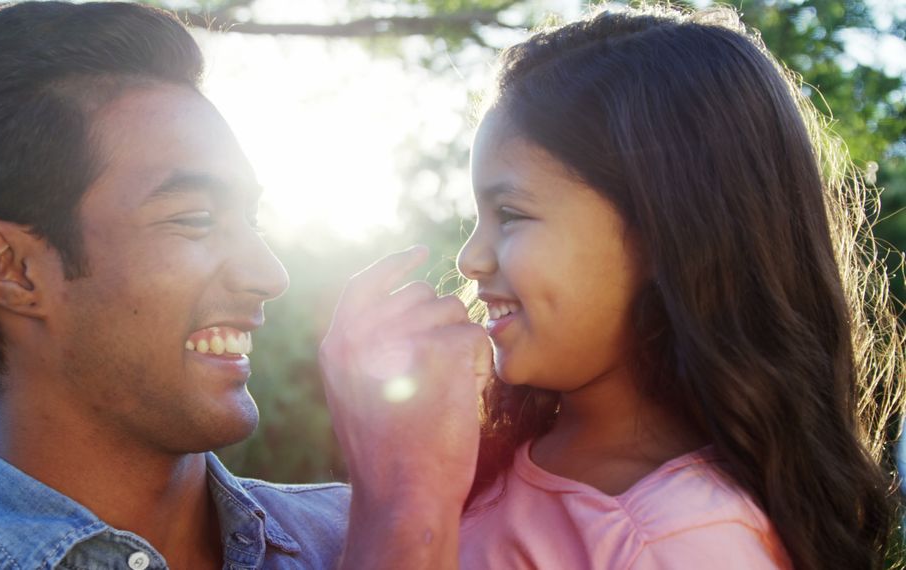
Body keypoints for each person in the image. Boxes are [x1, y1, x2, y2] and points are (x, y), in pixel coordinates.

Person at [320, 5, 904, 570]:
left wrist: (403, 502)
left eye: (511, 214)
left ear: (665, 232)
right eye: (477, 216)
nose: (470, 259)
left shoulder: (676, 542)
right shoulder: (488, 455)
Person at [0, 2, 362, 568]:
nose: (269, 275)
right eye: (194, 219)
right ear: (13, 268)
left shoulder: (354, 536)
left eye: (249, 220)